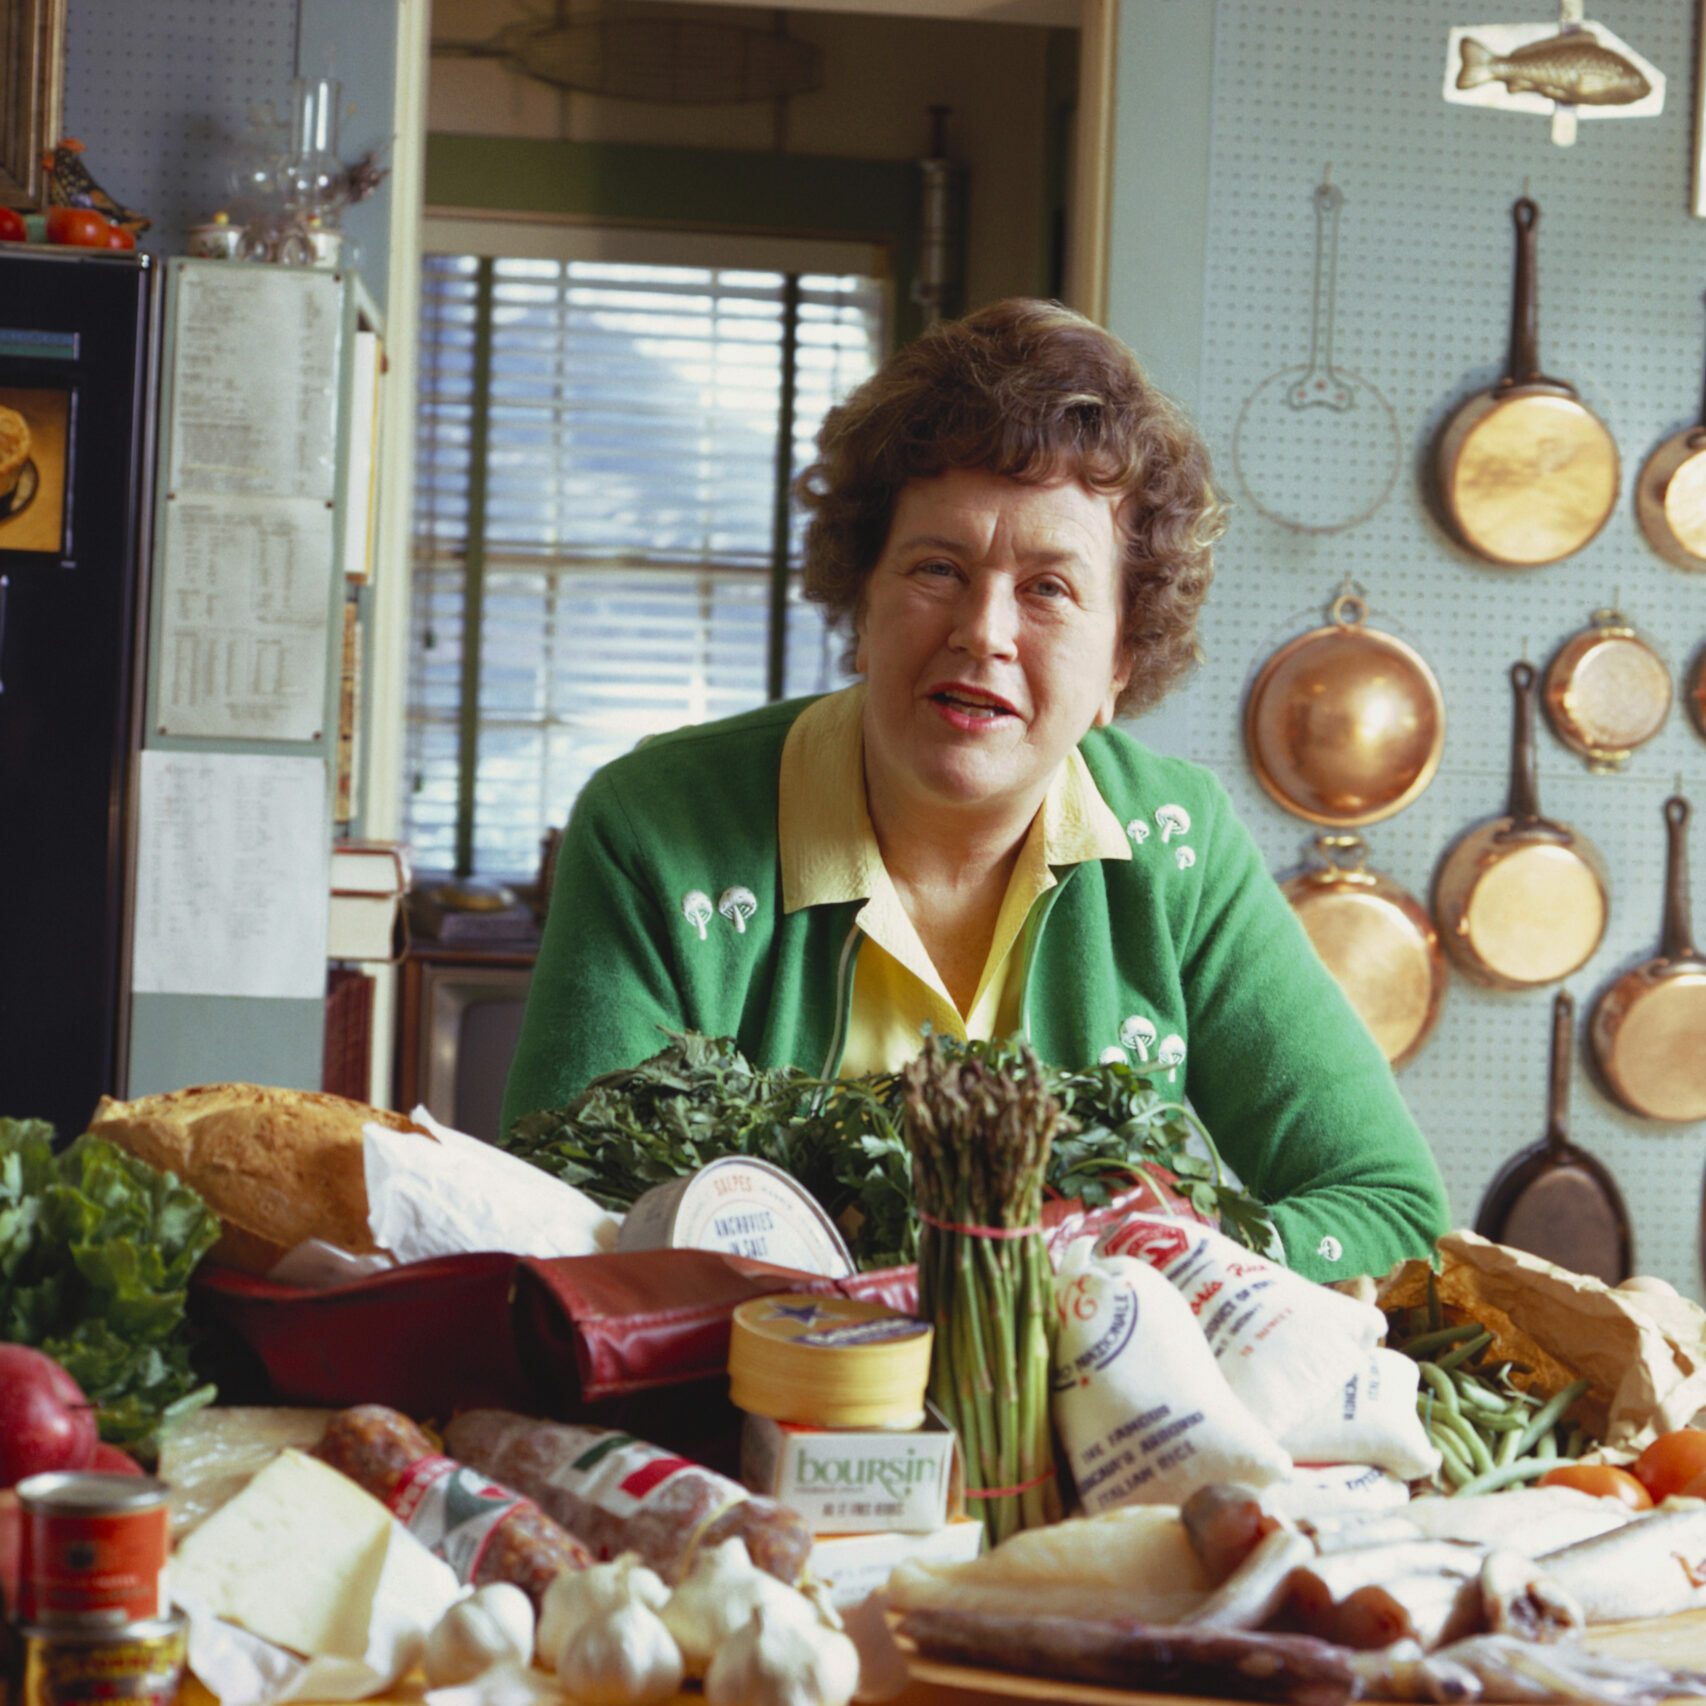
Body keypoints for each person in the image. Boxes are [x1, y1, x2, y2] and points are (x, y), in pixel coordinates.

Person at [501, 299, 1449, 1281]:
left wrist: (1153, 1264)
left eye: (1048, 587)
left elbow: (1389, 1208)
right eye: (937, 567)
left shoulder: (1179, 848)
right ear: (861, 605)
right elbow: (560, 1217)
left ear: (1121, 656)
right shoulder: (655, 824)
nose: (982, 631)